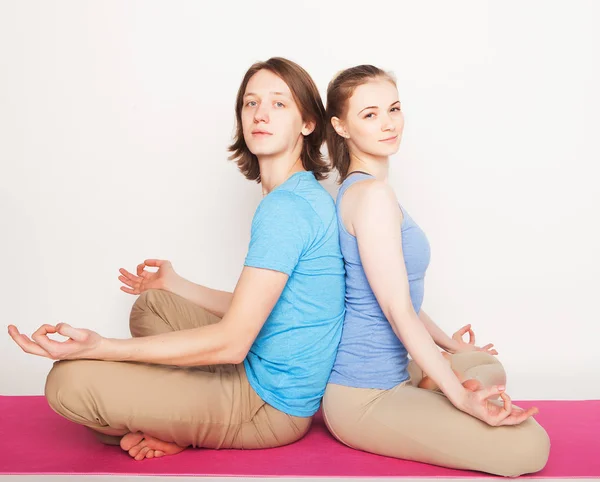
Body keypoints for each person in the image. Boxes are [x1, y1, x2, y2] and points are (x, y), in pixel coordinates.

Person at [8, 57, 345, 461]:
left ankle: (181, 425)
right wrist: (175, 284)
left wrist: (100, 347)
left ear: (308, 123)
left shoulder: (286, 210)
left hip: (267, 407)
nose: (260, 114)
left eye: (279, 104)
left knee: (67, 383)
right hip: (257, 365)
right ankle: (176, 413)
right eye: (250, 103)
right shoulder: (298, 193)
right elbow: (263, 308)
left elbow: (233, 342)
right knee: (154, 304)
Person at [322, 64, 550, 477]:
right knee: (531, 447)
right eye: (369, 114)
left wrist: (450, 346)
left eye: (393, 109)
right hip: (363, 397)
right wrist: (462, 401)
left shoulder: (366, 190)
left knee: (485, 365)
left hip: (392, 371)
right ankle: (432, 386)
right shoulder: (372, 196)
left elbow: (394, 292)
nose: (389, 124)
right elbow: (396, 308)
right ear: (340, 126)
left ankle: (429, 381)